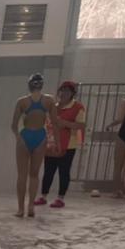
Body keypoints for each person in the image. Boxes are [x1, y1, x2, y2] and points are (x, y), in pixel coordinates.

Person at [11, 73, 56, 218]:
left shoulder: (22, 101)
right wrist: (54, 141)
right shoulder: (49, 100)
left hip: (25, 137)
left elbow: (13, 125)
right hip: (40, 137)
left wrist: (18, 137)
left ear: (29, 85)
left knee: (22, 175)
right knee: (34, 175)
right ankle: (31, 207)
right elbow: (55, 123)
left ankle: (20, 209)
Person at [36, 81, 86, 209]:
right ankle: (43, 196)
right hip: (52, 144)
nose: (64, 93)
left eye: (67, 91)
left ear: (72, 94)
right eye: (62, 90)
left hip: (68, 145)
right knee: (48, 171)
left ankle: (60, 198)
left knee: (64, 172)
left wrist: (64, 123)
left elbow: (81, 126)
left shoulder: (78, 107)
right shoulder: (54, 106)